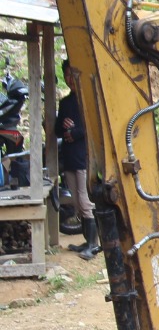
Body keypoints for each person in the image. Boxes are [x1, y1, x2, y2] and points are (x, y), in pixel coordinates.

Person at [54, 61, 97, 260]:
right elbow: (56, 130)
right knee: (77, 203)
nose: (70, 79)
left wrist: (74, 132)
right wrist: (65, 127)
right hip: (70, 158)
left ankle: (93, 244)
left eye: (73, 75)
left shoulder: (87, 99)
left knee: (85, 200)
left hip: (83, 156)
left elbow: (92, 126)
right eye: (67, 75)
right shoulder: (65, 103)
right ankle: (86, 241)